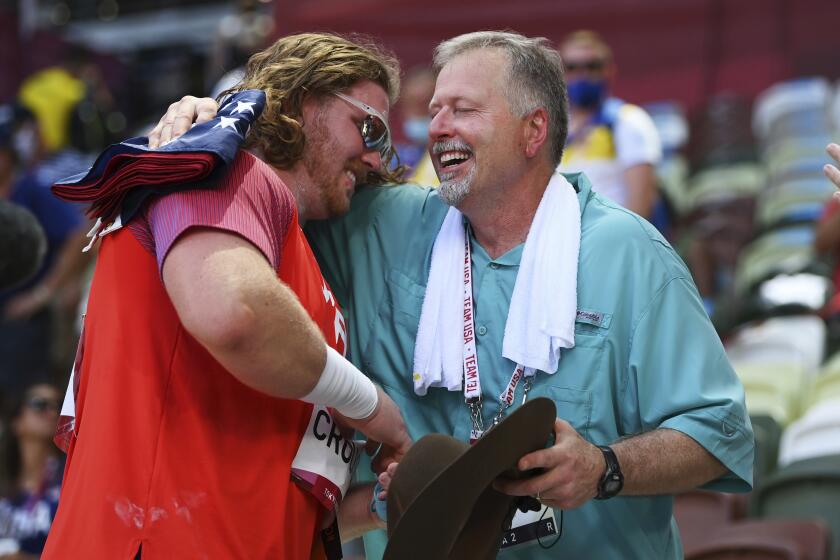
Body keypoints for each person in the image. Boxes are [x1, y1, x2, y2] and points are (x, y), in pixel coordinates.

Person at [155, 30, 754, 559]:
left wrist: (605, 468)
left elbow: (719, 432)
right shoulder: (381, 223)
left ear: (532, 130)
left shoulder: (627, 253)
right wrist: (222, 121)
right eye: (436, 110)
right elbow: (297, 168)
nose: (437, 127)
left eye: (463, 109)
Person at [42, 33, 410, 560]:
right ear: (302, 101)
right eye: (368, 127)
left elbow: (274, 496)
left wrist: (377, 506)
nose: (375, 158)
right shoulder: (213, 161)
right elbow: (233, 314)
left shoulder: (290, 256)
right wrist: (371, 407)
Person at [556, 30, 662, 220]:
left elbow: (641, 207)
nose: (582, 74)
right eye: (572, 67)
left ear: (609, 71)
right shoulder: (552, 130)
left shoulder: (629, 121)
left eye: (592, 66)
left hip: (611, 239)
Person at [0, 383, 63, 559]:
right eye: (39, 404)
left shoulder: (69, 482)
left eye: (58, 405)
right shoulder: (4, 482)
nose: (51, 412)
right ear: (17, 422)